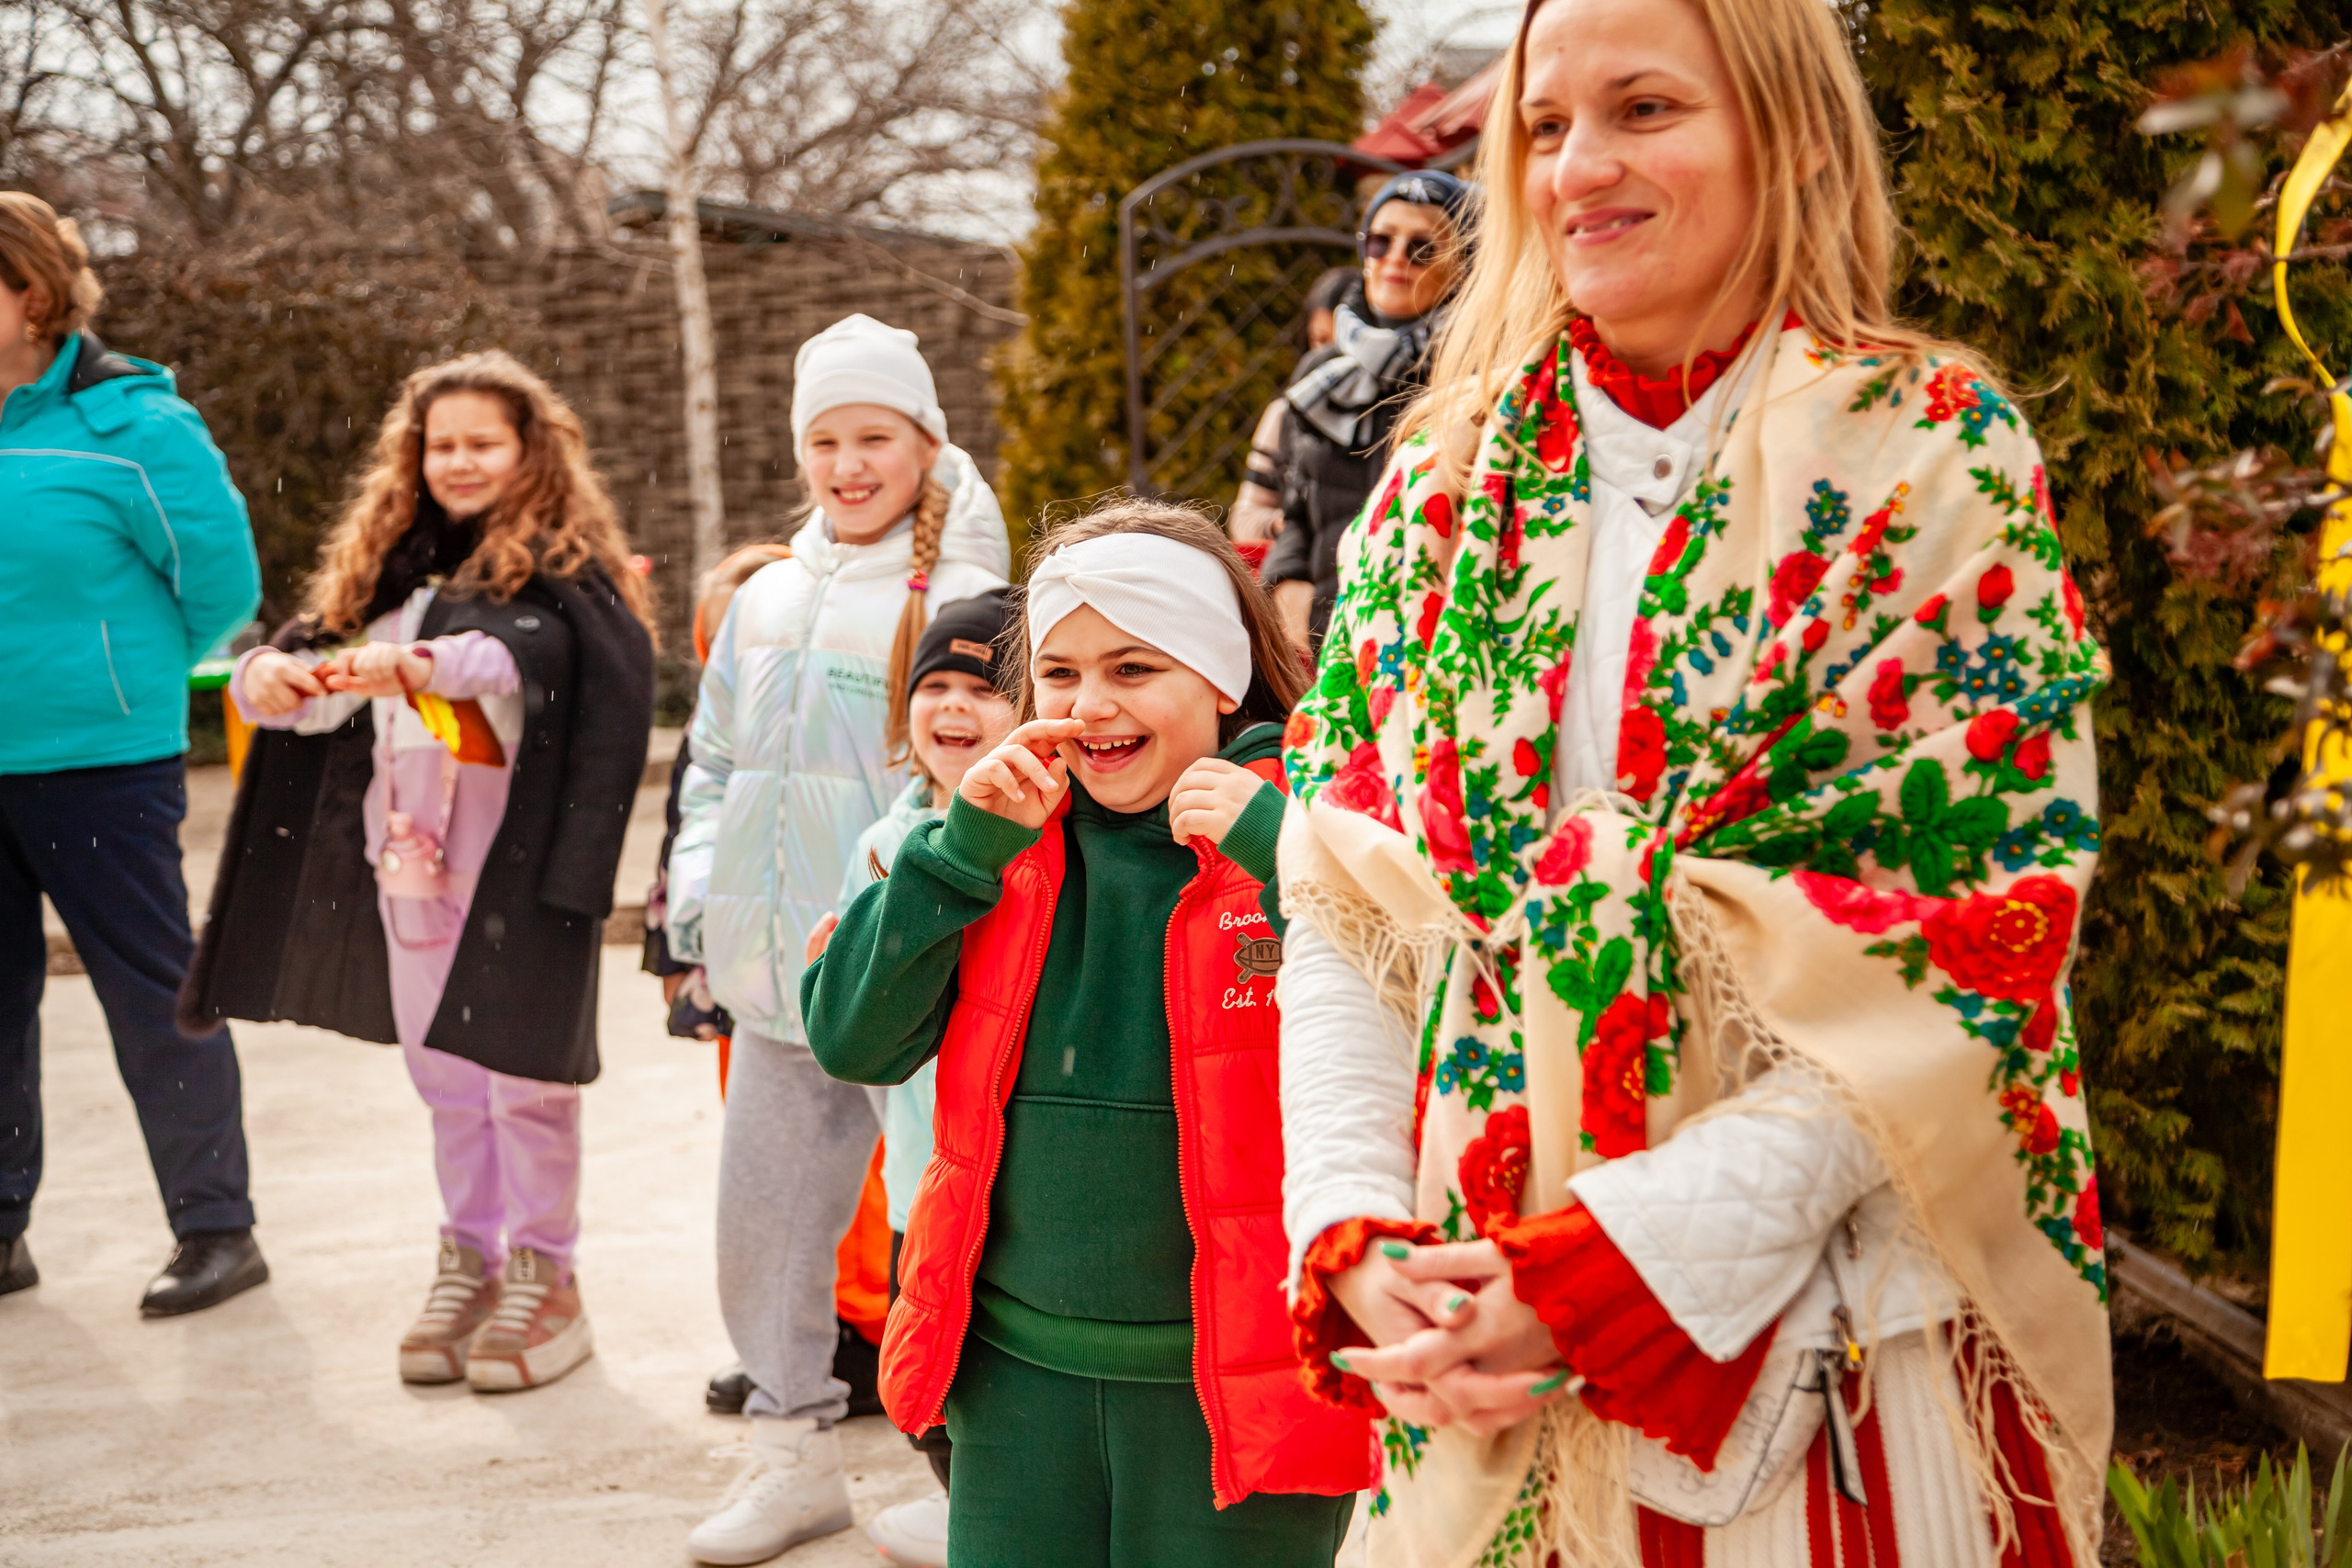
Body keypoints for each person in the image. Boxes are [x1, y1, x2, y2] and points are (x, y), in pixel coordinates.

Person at [1273, 0, 2110, 1564]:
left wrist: (1615, 1269)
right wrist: (1352, 1224)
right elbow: (1344, 899)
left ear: (1789, 135)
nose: (1575, 166)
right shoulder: (1441, 482)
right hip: (1475, 1348)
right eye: (1540, 125)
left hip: (1839, 1363)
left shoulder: (1932, 454)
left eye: (1643, 108)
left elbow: (1973, 939)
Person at [804, 502, 1373, 1568]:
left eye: (1132, 668)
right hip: (1014, 1380)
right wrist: (954, 851)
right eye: (1059, 672)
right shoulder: (991, 830)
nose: (1089, 705)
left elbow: (1421, 1005)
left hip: (1239, 1391)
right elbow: (851, 1042)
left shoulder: (1316, 819)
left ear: (1217, 676)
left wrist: (1283, 853)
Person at [183, 351, 656, 1393]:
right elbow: (312, 693)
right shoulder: (391, 576)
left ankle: (547, 1271)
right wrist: (271, 674)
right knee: (445, 1081)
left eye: (482, 441)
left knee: (523, 1080)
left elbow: (525, 660)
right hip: (410, 876)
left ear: (532, 451)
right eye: (441, 444)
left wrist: (425, 665)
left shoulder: (559, 578)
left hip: (517, 880)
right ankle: (471, 1260)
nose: (460, 461)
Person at [669, 313, 1010, 1566]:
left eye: (875, 435)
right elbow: (713, 764)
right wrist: (698, 904)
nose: (849, 463)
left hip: (916, 979)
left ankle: (982, 1474)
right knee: (761, 1222)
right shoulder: (762, 593)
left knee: (946, 1227)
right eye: (825, 439)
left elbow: (986, 770)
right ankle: (792, 1451)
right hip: (776, 981)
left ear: (927, 439)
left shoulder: (969, 595)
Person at [0, 191, 266, 1317]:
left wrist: (123, 680)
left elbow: (223, 588)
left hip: (102, 761)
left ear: (34, 294)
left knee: (156, 997)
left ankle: (216, 1230)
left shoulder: (134, 427)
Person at [813, 586, 1019, 1568]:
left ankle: (998, 1515)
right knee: (919, 1380)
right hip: (919, 1169)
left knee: (1002, 1369)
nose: (951, 707)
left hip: (1017, 1169)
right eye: (932, 685)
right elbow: (854, 1013)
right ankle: (966, 1507)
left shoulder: (1044, 848)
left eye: (983, 688)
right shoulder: (881, 846)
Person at [1264, 173, 1471, 655]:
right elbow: (1295, 505)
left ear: (1463, 264)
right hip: (1324, 636)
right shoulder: (1323, 369)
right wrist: (1285, 584)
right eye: (1380, 241)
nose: (1394, 258)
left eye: (1422, 247)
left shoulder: (1477, 372)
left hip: (1430, 636)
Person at [1227, 265, 1356, 550]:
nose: (1328, 356)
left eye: (1343, 344)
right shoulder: (1284, 416)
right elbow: (1243, 518)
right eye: (1319, 341)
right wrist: (1283, 525)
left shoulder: (1395, 414)